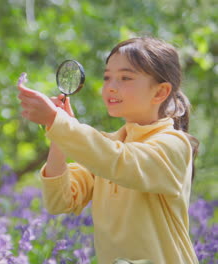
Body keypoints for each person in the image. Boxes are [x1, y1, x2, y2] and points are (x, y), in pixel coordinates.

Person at [17, 37, 199, 263]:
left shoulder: (174, 145)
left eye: (125, 77)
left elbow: (121, 162)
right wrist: (58, 134)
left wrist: (59, 123)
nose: (111, 86)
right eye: (107, 77)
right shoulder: (108, 147)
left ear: (160, 92)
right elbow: (59, 201)